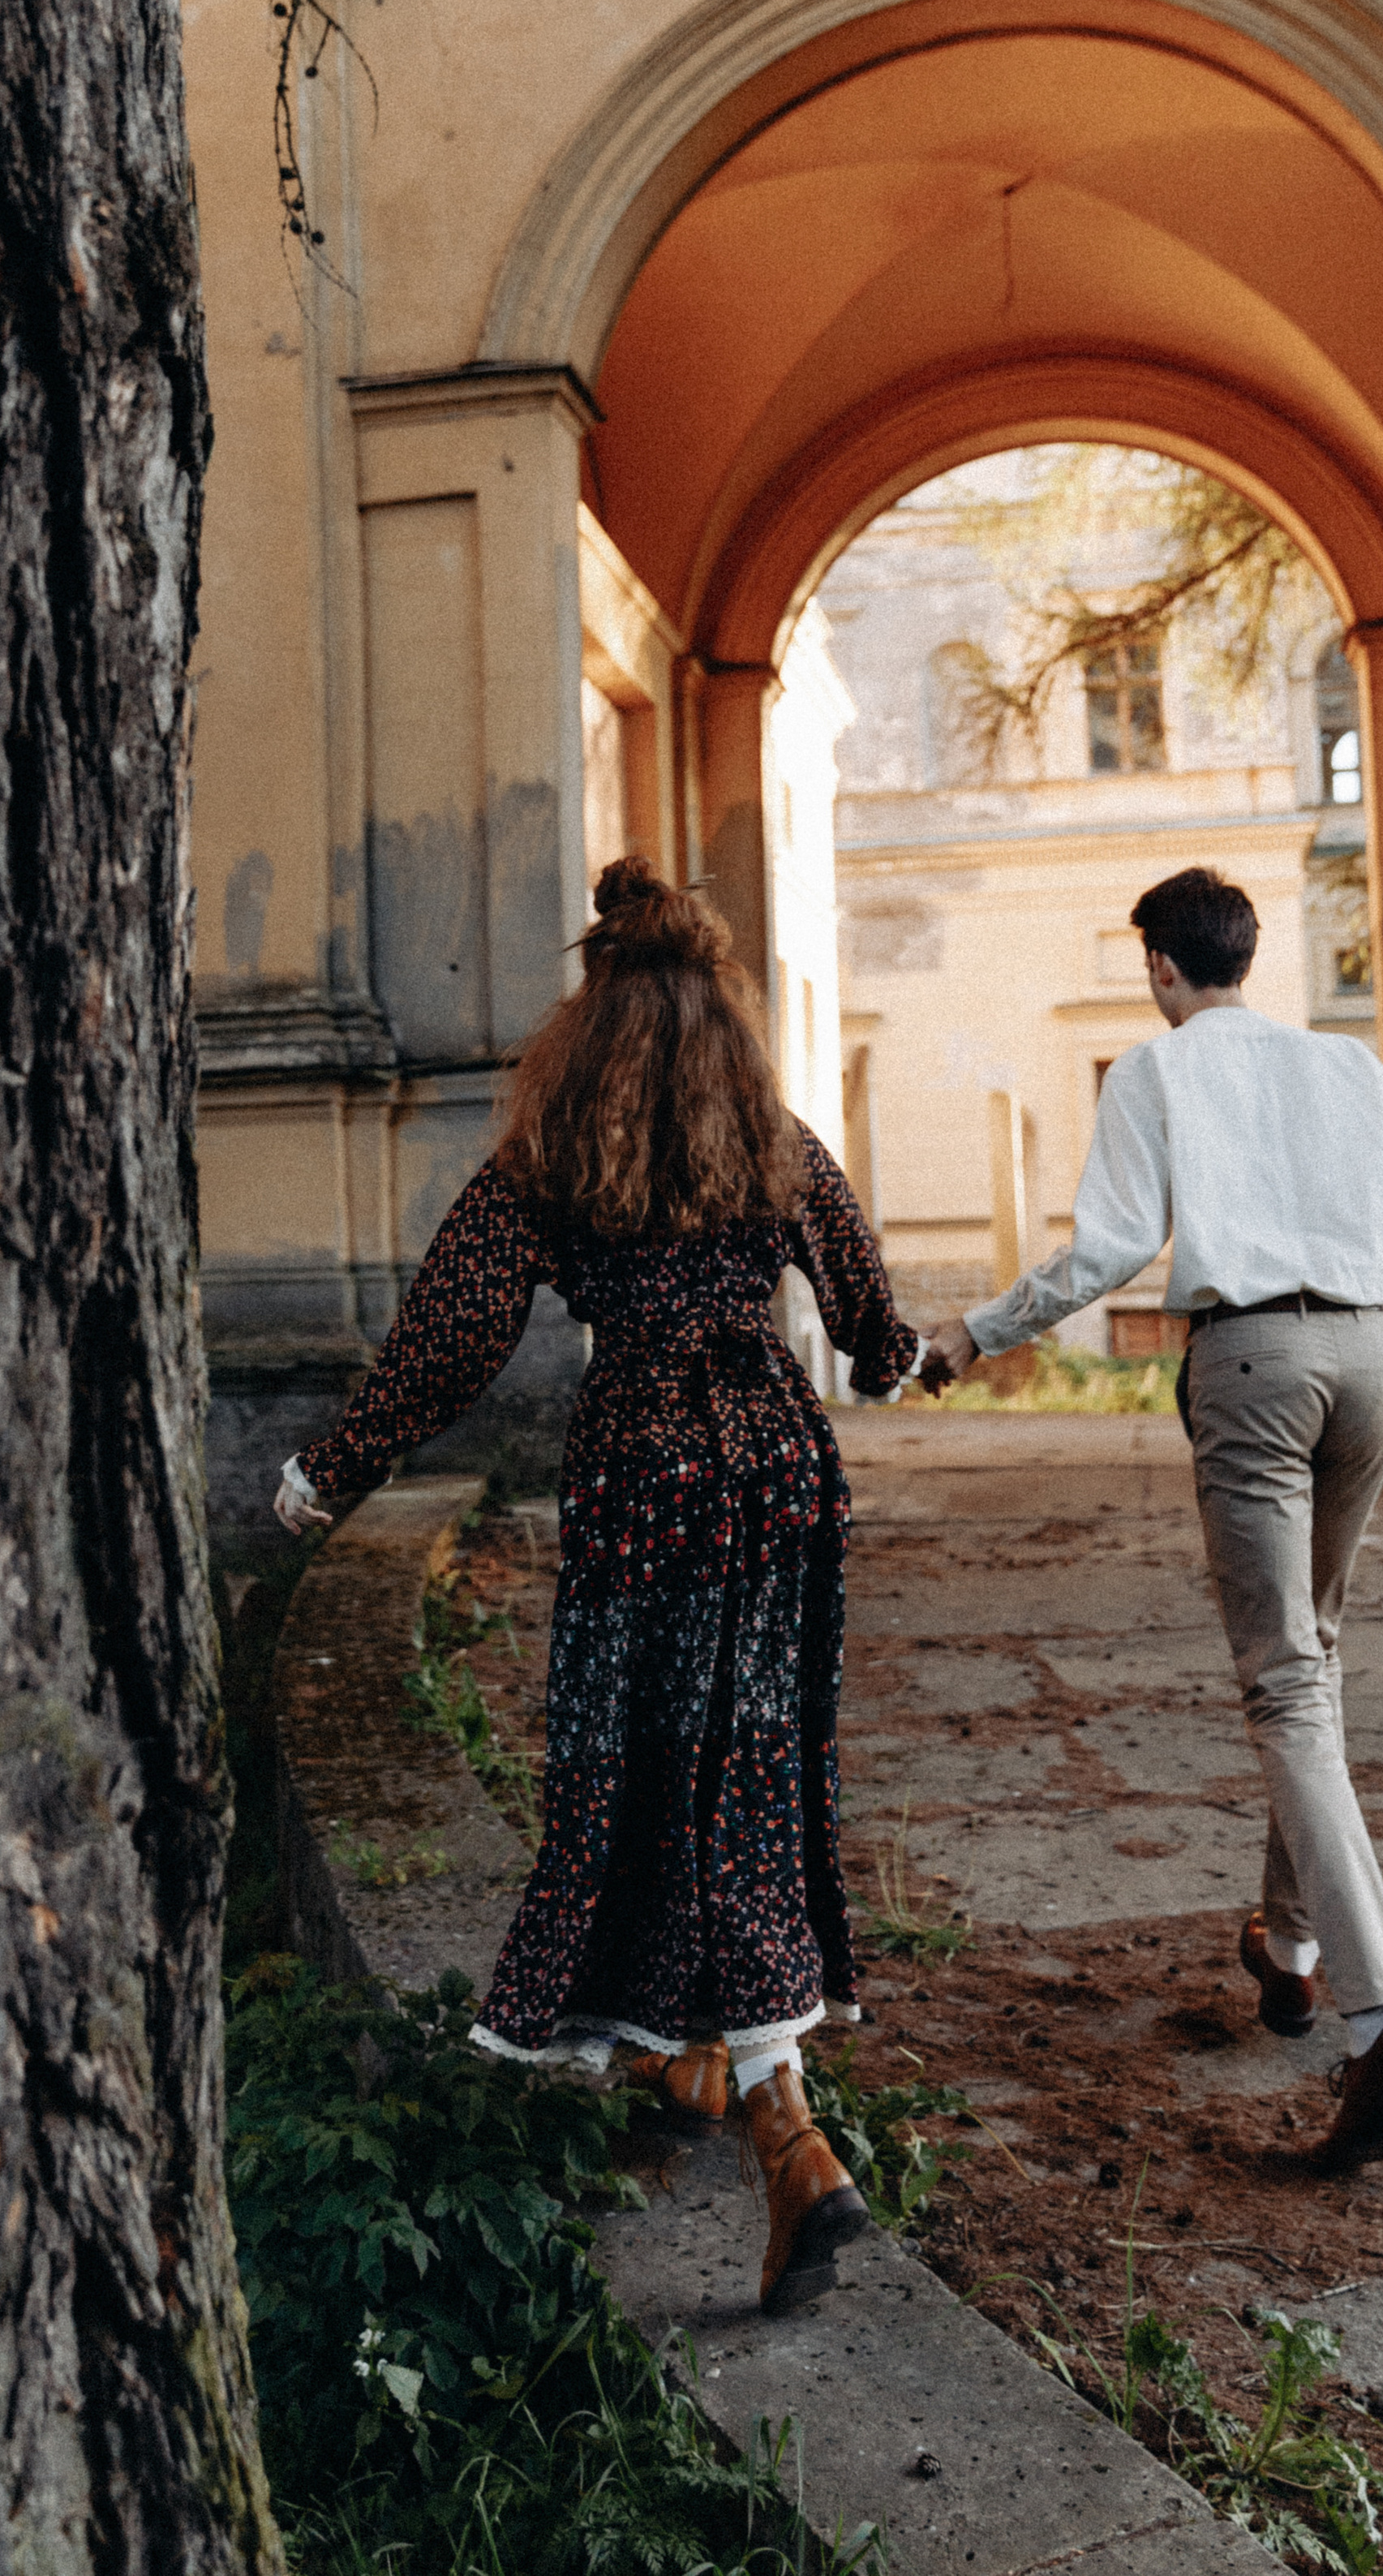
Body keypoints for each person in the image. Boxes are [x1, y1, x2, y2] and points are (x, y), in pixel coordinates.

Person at [274, 856, 922, 2312]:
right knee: (746, 1771)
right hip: (777, 1472)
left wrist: (333, 1466)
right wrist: (899, 1356)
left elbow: (448, 1339)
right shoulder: (774, 1131)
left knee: (638, 1778)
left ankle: (788, 2131)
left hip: (648, 1483)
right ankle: (714, 2064)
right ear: (721, 1017)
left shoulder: (554, 1151)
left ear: (594, 1016)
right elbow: (866, 1310)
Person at [925, 865, 1383, 2175]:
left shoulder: (1155, 1071)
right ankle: (1290, 1953)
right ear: (1249, 957)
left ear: (1160, 969)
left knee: (1287, 1689)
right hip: (1373, 1364)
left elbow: (1112, 1247)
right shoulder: (1348, 1069)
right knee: (1318, 1653)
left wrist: (975, 1331)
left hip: (1254, 1366)